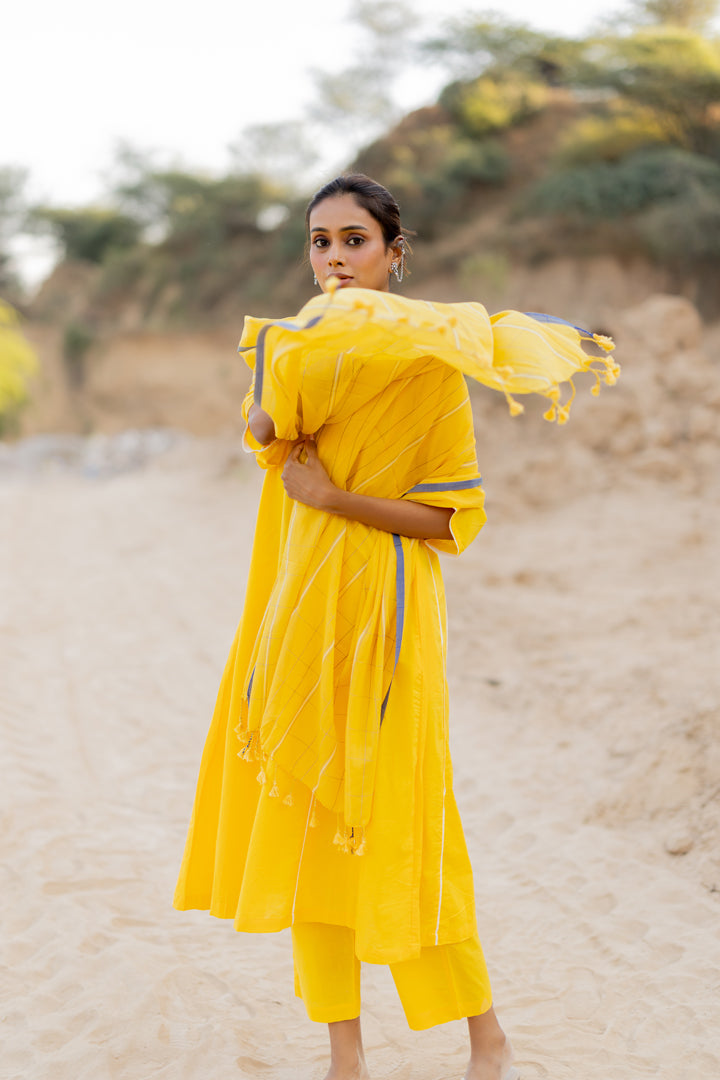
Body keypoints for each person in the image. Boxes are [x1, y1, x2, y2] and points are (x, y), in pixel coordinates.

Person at [173, 174, 618, 1080]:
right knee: (308, 819)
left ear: (393, 252)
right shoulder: (296, 346)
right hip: (298, 605)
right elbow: (266, 430)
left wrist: (335, 496)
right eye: (320, 243)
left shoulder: (429, 365)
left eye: (354, 241)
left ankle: (485, 1033)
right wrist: (274, 387)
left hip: (389, 606)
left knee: (407, 820)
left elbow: (452, 517)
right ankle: (346, 1054)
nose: (334, 259)